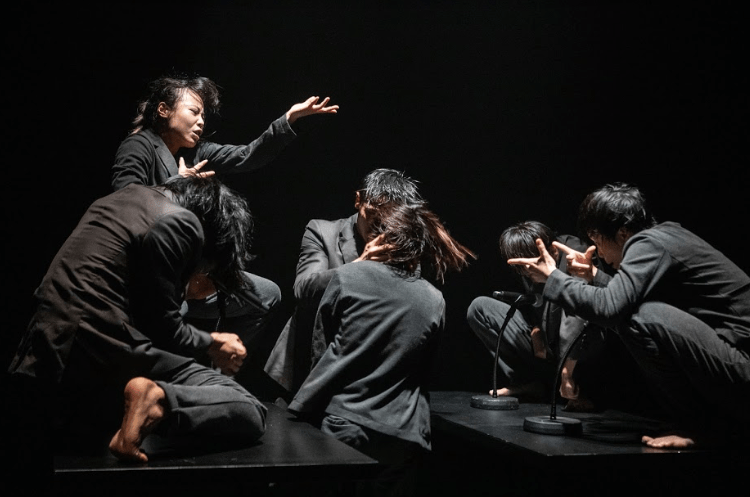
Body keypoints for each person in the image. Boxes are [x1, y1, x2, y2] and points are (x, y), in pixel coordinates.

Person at [7, 176, 268, 463]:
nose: (200, 273)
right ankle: (156, 401)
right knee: (248, 408)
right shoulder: (182, 222)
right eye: (207, 268)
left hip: (43, 353)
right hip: (101, 354)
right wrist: (213, 342)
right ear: (212, 230)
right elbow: (163, 330)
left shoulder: (118, 200)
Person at [111, 74, 339, 370]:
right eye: (194, 112)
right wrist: (177, 183)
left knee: (266, 295)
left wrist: (289, 120)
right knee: (168, 321)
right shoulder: (139, 145)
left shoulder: (197, 152)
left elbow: (247, 155)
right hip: (155, 271)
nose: (201, 121)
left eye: (203, 115)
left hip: (193, 268)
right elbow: (124, 199)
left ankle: (217, 370)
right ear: (164, 110)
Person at [508, 182, 750, 449]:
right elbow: (622, 296)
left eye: (598, 242)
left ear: (622, 233)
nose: (599, 253)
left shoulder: (648, 244)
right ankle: (702, 424)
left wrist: (554, 277)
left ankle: (697, 426)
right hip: (734, 359)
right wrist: (593, 275)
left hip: (743, 364)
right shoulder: (662, 238)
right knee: (638, 311)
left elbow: (612, 308)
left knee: (638, 317)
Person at [288, 200, 476, 496]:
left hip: (344, 421)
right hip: (402, 432)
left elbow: (320, 349)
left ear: (380, 238)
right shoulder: (434, 298)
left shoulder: (347, 277)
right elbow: (423, 369)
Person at [263, 168, 424, 396]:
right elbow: (304, 289)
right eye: (373, 214)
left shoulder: (401, 245)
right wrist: (360, 265)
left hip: (368, 369)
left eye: (389, 218)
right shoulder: (322, 231)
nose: (380, 226)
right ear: (358, 200)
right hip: (310, 365)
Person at [466, 221, 614, 409]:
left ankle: (577, 388)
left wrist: (567, 374)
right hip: (548, 339)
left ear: (552, 252)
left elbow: (577, 314)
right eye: (521, 268)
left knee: (575, 317)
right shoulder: (527, 265)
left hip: (581, 343)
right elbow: (533, 301)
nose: (527, 272)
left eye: (530, 266)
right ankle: (531, 384)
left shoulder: (574, 254)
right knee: (480, 308)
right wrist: (536, 329)